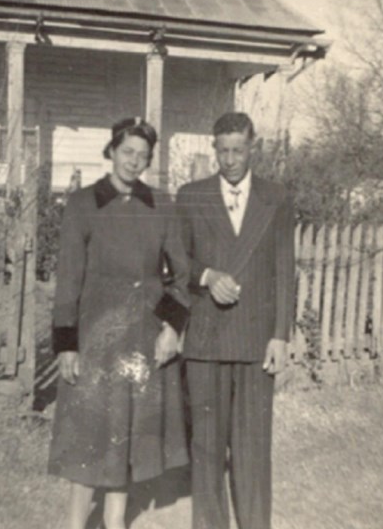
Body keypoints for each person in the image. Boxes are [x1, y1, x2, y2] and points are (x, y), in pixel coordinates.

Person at [48, 117, 190, 529]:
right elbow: (69, 277)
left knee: (125, 435)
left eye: (143, 156)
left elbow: (180, 276)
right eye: (127, 152)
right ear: (111, 151)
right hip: (96, 333)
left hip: (142, 336)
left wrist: (170, 328)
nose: (135, 162)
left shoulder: (162, 204)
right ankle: (74, 525)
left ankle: (114, 524)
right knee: (91, 432)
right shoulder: (82, 204)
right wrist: (67, 343)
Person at [176, 112, 295, 529]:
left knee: (252, 449)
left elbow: (284, 269)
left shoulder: (276, 197)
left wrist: (280, 336)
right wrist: (206, 277)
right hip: (206, 342)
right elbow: (173, 264)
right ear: (214, 149)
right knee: (206, 447)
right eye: (222, 150)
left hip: (255, 341)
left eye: (238, 150)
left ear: (253, 147)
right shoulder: (191, 196)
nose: (230, 159)